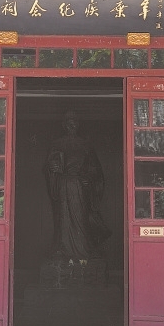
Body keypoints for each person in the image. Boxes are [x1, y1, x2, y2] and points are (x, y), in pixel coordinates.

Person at [45, 111, 111, 262]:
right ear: (64, 125)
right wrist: (52, 168)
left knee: (81, 219)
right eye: (69, 123)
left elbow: (95, 170)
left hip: (80, 186)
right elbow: (49, 166)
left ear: (78, 125)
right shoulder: (57, 144)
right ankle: (63, 250)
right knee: (63, 220)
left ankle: (84, 251)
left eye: (74, 122)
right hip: (63, 186)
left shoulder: (85, 145)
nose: (72, 126)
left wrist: (89, 179)